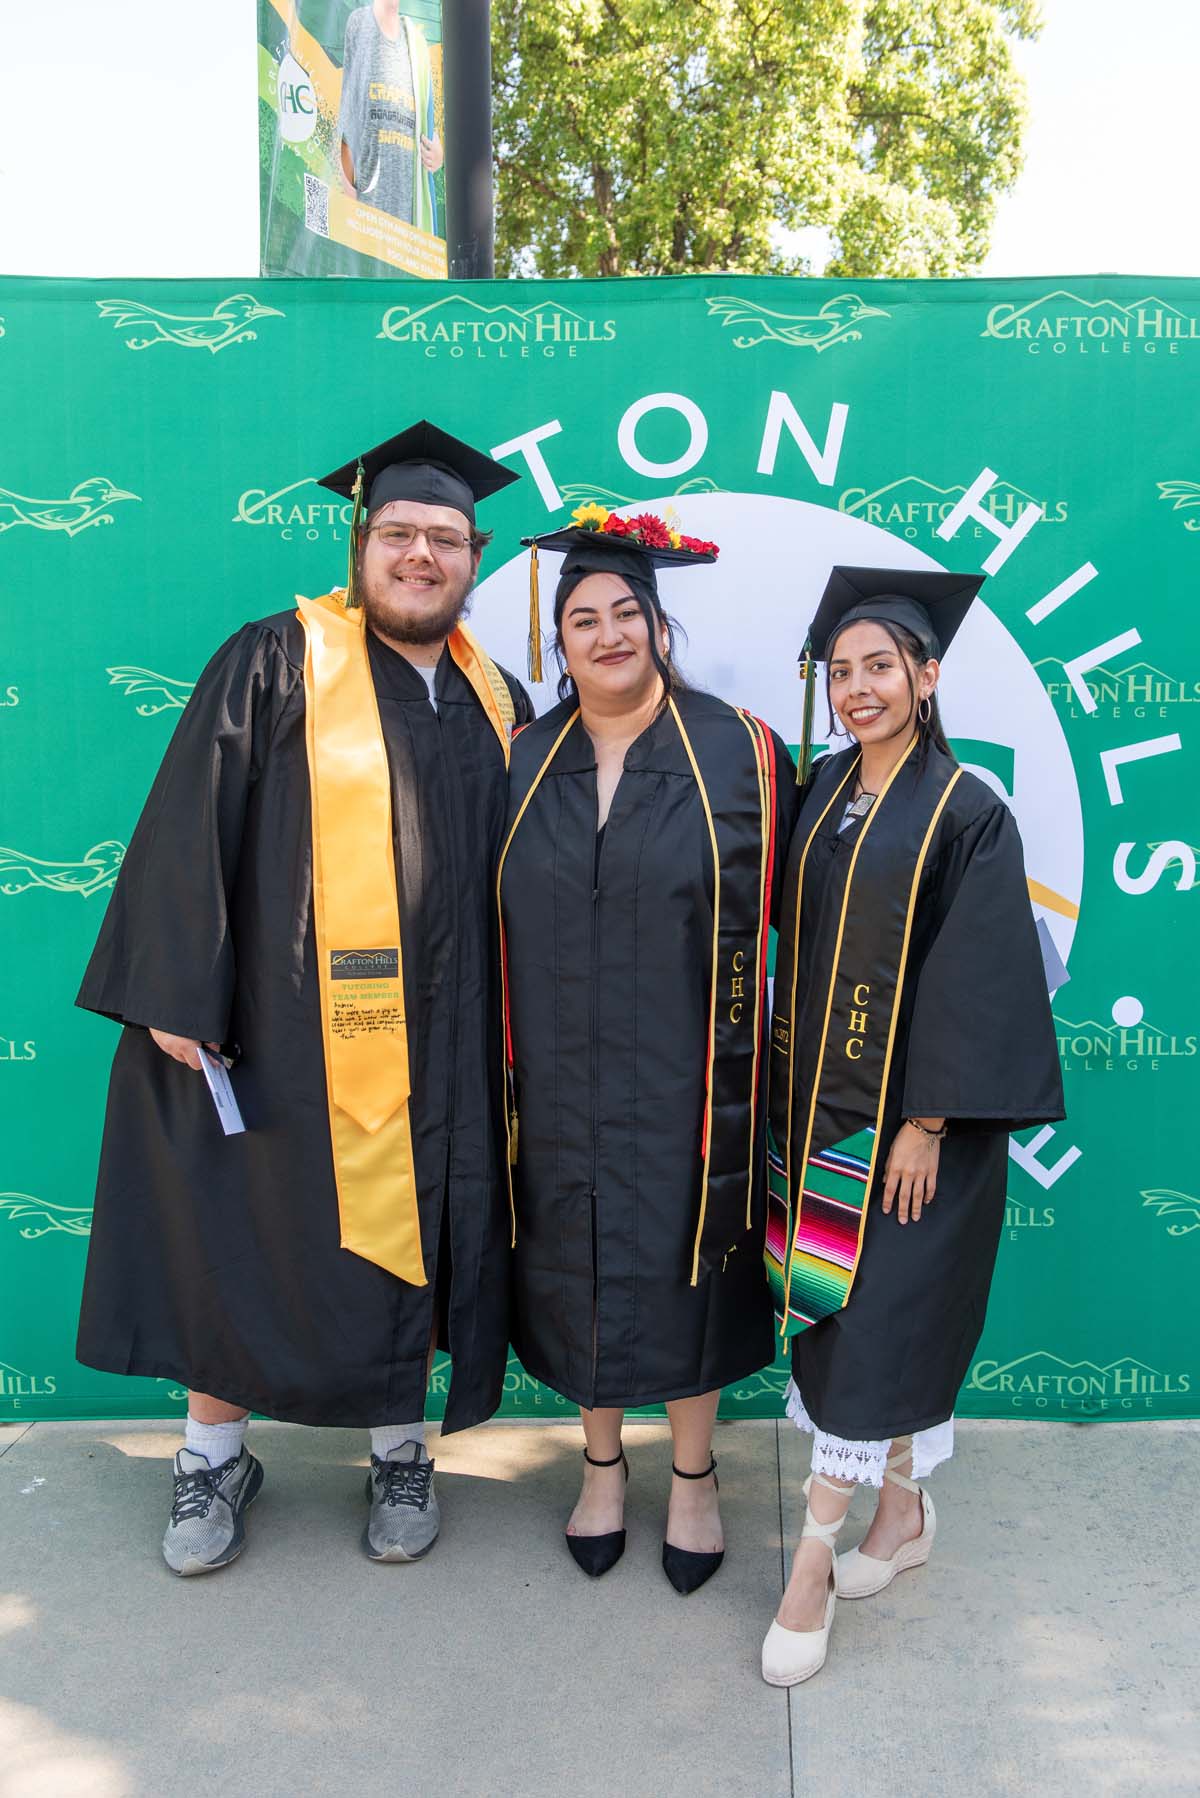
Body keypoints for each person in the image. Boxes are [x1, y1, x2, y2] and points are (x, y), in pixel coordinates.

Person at [75, 420, 532, 1575]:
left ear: (475, 555)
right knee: (242, 1227)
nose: (420, 555)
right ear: (359, 543)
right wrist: (178, 986)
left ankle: (399, 1448)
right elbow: (193, 817)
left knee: (420, 1228)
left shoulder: (500, 697)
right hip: (282, 1026)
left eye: (444, 537)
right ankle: (210, 1457)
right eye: (398, 534)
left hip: (452, 1035)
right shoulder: (277, 657)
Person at [761, 564, 1064, 1684]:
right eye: (840, 672)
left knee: (886, 1326)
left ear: (927, 675)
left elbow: (980, 976)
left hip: (912, 1132)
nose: (857, 689)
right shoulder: (824, 791)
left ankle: (811, 1558)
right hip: (823, 1116)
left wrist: (929, 1121)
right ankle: (903, 1518)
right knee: (847, 1319)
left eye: (880, 667)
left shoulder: (968, 808)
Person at [498, 506, 797, 1592]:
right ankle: (601, 1464)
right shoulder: (524, 756)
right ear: (558, 641)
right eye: (584, 617)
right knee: (574, 1261)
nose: (608, 632)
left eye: (628, 610)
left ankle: (697, 1475)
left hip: (690, 1079)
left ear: (660, 626)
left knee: (688, 1269)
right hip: (564, 1079)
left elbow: (806, 915)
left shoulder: (744, 750)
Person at [338, 0, 443, 234]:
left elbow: (427, 124)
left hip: (409, 218)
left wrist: (438, 153)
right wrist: (347, 190)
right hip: (367, 208)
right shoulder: (360, 23)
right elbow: (347, 110)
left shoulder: (416, 44)